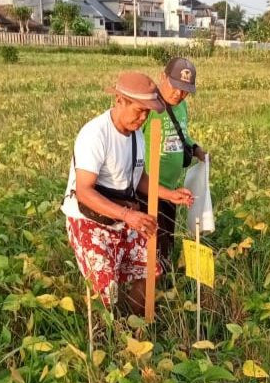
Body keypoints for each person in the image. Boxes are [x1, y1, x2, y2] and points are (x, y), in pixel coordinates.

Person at [62, 71, 193, 315]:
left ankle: (136, 325)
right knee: (106, 287)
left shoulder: (136, 135)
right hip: (89, 220)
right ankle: (108, 335)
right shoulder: (95, 135)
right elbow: (84, 191)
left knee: (152, 269)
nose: (143, 118)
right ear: (120, 100)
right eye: (139, 110)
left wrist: (169, 194)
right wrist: (128, 215)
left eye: (147, 112)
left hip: (121, 218)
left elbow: (139, 178)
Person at [143, 57, 208, 269]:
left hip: (171, 189)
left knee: (166, 239)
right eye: (175, 87)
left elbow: (182, 135)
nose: (179, 94)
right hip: (147, 190)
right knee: (150, 243)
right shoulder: (147, 108)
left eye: (185, 90)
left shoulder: (181, 108)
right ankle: (152, 286)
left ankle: (166, 279)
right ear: (163, 77)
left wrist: (196, 148)